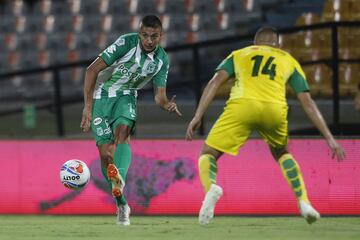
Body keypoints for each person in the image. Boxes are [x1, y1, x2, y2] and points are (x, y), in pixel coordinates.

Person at [186, 27, 345, 225]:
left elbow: (215, 81)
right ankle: (304, 202)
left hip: (242, 106)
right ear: (277, 45)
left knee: (208, 153)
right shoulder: (288, 60)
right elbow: (308, 102)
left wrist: (198, 115)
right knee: (282, 153)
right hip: (275, 109)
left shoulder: (239, 54)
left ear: (255, 44)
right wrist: (330, 138)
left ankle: (211, 188)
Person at [80, 15, 181, 225]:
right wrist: (88, 107)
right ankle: (122, 204)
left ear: (161, 36)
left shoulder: (162, 60)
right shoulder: (126, 43)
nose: (149, 40)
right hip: (102, 97)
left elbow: (159, 95)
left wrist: (166, 105)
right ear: (139, 34)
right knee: (106, 156)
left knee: (123, 132)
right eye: (145, 35)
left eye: (154, 36)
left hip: (126, 96)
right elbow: (91, 70)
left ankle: (121, 179)